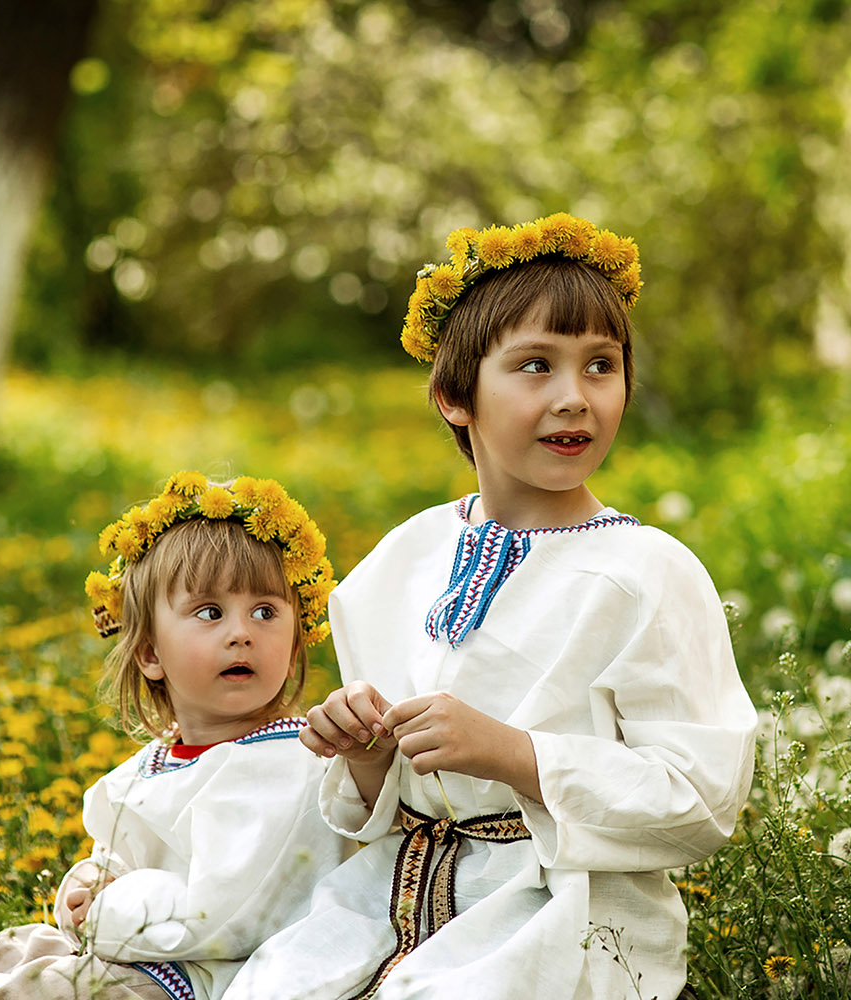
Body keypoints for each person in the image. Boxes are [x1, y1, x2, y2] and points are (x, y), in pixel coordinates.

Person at [223, 214, 757, 1000]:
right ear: (453, 396)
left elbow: (698, 802)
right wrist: (366, 756)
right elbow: (383, 803)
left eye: (600, 367)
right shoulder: (399, 563)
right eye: (535, 366)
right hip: (385, 902)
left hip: (556, 918)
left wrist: (514, 754)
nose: (574, 399)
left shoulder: (645, 572)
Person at [0, 473, 348, 999]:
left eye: (265, 611)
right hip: (138, 950)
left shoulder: (289, 761)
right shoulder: (162, 760)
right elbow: (123, 857)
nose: (242, 632)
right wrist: (85, 888)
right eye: (210, 613)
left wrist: (114, 901)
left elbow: (229, 909)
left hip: (207, 978)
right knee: (27, 946)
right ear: (150, 655)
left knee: (50, 989)